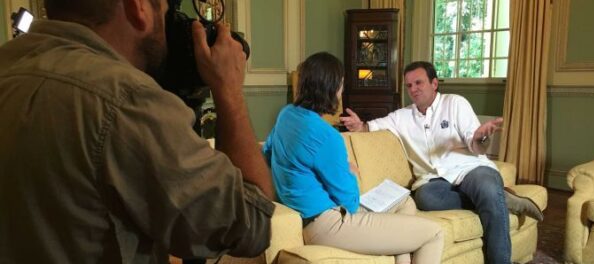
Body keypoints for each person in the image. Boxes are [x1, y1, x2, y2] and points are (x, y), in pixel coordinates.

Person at [0, 0, 275, 263]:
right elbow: (252, 222)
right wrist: (228, 90)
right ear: (138, 7)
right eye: (165, 13)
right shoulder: (125, 100)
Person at [340, 61, 544, 264]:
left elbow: (477, 147)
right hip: (434, 180)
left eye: (418, 83)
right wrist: (359, 125)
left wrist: (481, 137)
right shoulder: (401, 117)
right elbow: (370, 127)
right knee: (425, 199)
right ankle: (501, 198)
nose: (413, 89)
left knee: (487, 189)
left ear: (434, 83)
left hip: (471, 169)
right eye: (409, 85)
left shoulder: (455, 103)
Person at [262, 52, 444, 264]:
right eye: (340, 85)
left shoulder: (286, 114)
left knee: (404, 202)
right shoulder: (326, 136)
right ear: (331, 89)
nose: (341, 91)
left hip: (312, 217)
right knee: (434, 233)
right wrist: (350, 172)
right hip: (329, 224)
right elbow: (349, 202)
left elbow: (267, 154)